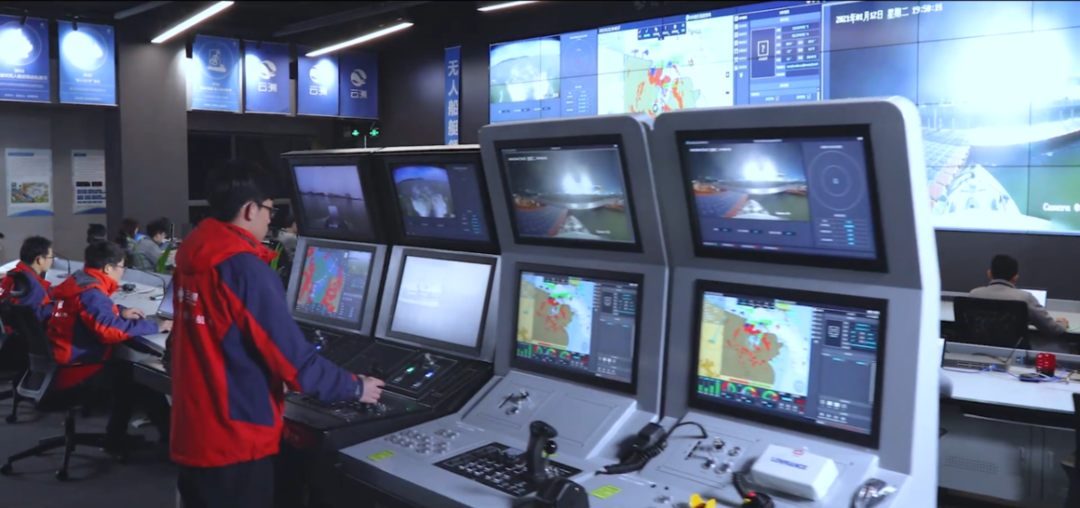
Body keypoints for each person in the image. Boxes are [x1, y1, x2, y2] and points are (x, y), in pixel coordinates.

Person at [169, 159, 385, 508]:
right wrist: (356, 387)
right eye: (271, 209)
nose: (271, 218)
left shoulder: (192, 256)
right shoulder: (245, 269)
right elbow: (292, 360)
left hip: (195, 426)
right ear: (250, 209)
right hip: (236, 436)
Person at [47, 241, 174, 452]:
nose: (122, 272)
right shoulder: (93, 293)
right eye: (122, 267)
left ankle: (118, 436)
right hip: (75, 365)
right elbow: (107, 331)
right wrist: (155, 326)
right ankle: (161, 439)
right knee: (141, 376)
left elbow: (93, 311)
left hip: (61, 357)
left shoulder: (79, 280)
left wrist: (120, 311)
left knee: (130, 371)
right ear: (108, 268)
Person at [969, 254, 1069, 335]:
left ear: (989, 274)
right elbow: (1052, 329)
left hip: (977, 350)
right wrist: (1061, 324)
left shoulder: (974, 294)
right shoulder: (1024, 298)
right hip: (1013, 351)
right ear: (1015, 278)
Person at [0, 236, 56, 322]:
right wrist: (54, 306)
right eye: (51, 257)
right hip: (28, 328)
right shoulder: (30, 283)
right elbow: (32, 318)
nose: (52, 261)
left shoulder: (16, 273)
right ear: (40, 260)